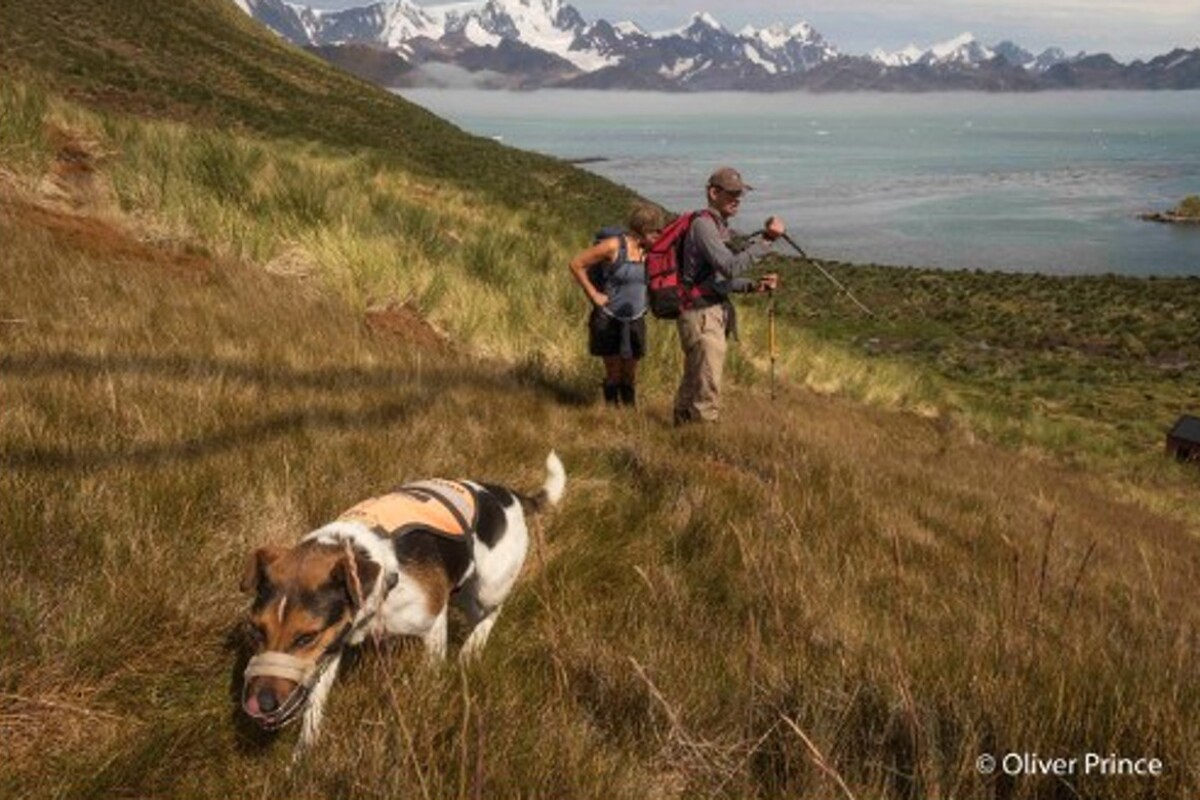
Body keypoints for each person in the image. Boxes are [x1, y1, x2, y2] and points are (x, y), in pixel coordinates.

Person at [673, 166, 783, 425]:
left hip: (704, 310)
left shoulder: (715, 226)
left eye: (740, 194)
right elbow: (729, 266)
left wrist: (753, 286)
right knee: (706, 386)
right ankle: (703, 445)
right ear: (713, 193)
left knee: (694, 381)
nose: (737, 200)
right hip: (701, 314)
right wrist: (766, 242)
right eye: (732, 194)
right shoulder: (703, 225)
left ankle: (679, 438)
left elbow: (717, 279)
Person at [569, 203, 665, 406]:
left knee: (629, 373)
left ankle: (629, 414)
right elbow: (576, 264)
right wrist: (594, 294)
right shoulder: (614, 246)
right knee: (613, 372)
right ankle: (611, 415)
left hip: (636, 317)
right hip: (608, 316)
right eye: (656, 232)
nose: (660, 236)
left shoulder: (651, 251)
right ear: (643, 230)